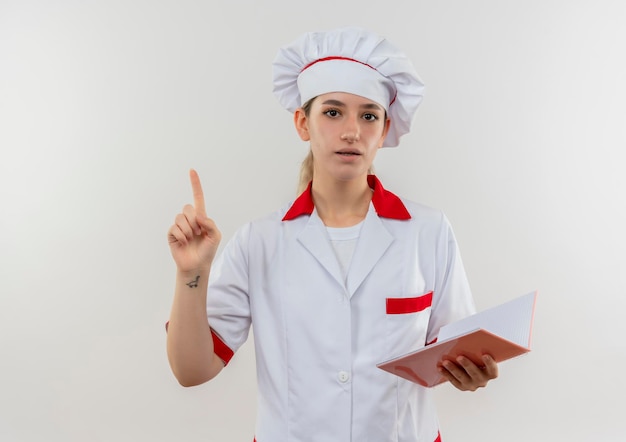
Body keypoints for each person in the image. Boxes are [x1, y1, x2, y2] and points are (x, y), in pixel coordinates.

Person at [166, 26, 498, 442]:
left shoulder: (428, 232)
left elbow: (454, 355)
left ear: (384, 129)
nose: (351, 131)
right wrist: (189, 276)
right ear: (302, 123)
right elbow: (191, 371)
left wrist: (470, 375)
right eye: (333, 111)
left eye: (369, 116)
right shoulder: (259, 242)